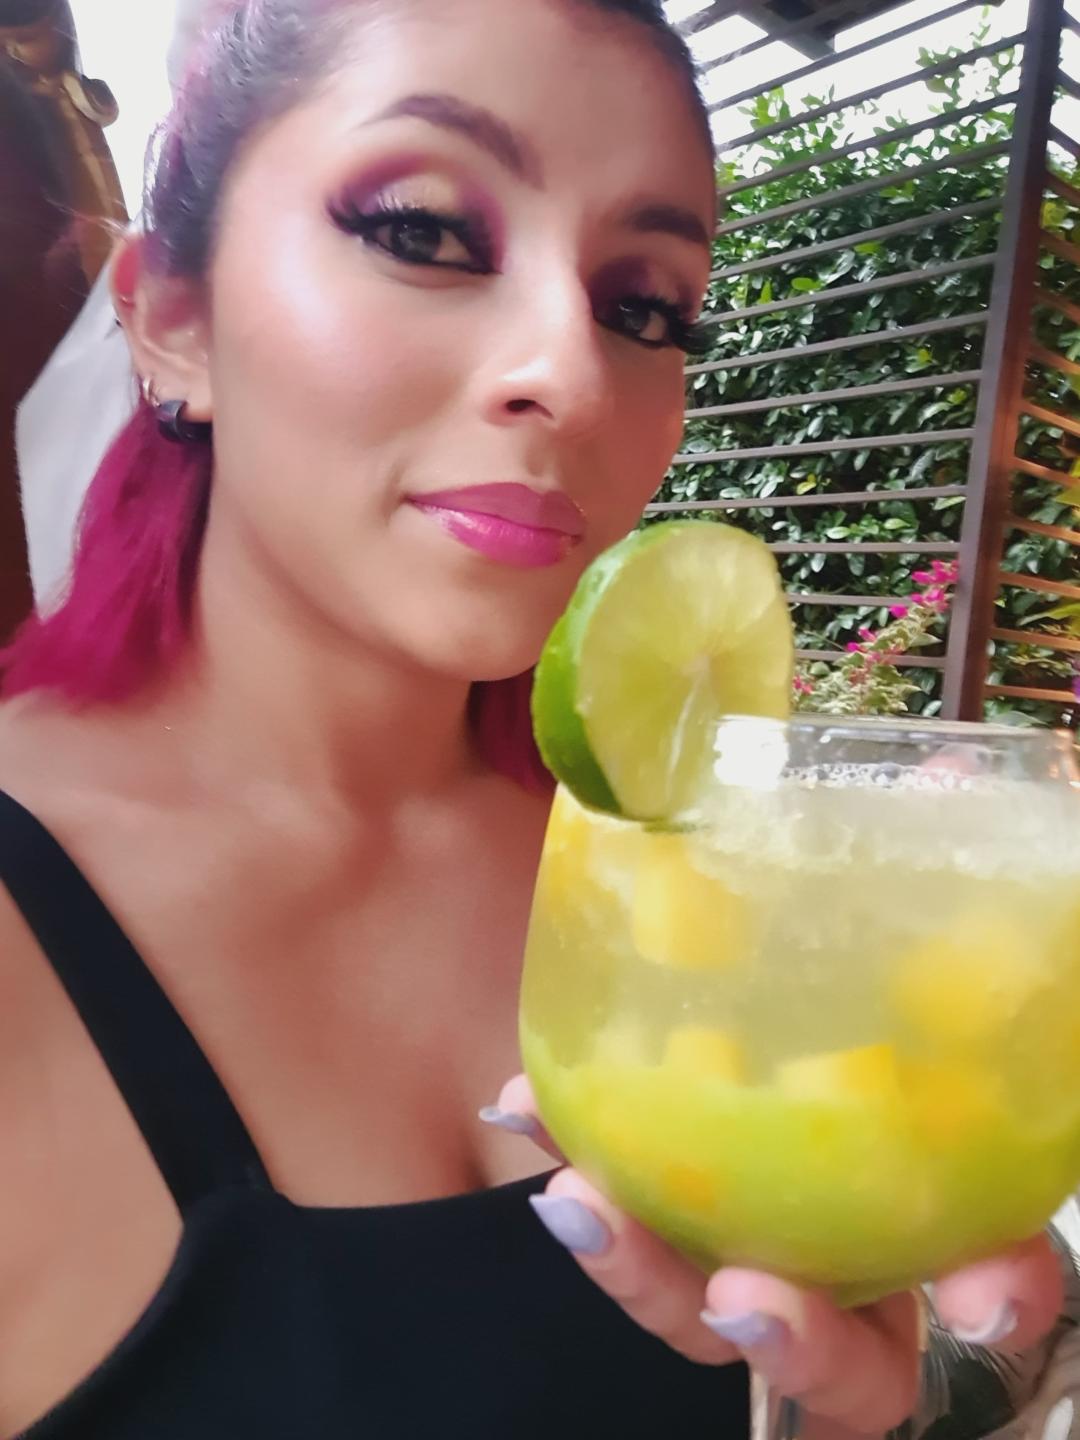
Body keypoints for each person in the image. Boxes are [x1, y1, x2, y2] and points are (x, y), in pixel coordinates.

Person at [0, 1, 1065, 1436]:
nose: (572, 375)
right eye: (425, 232)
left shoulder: (704, 875)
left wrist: (856, 1391)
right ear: (171, 317)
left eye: (647, 309)